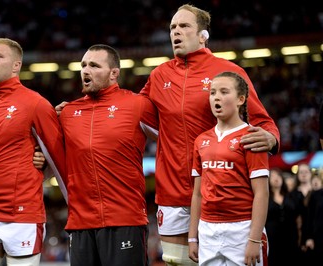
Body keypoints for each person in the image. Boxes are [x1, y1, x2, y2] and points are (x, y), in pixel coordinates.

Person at [138, 4, 280, 265]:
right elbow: (130, 113)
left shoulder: (229, 73)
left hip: (219, 196)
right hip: (171, 192)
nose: (176, 32)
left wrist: (271, 138)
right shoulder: (159, 75)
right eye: (172, 27)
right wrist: (80, 110)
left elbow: (262, 121)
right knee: (175, 261)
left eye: (184, 26)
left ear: (203, 35)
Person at [0, 38, 65, 266]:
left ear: (16, 66)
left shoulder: (35, 104)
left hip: (21, 215)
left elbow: (58, 161)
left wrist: (75, 209)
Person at [58, 44, 158, 266]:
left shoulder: (137, 105)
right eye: (83, 65)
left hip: (125, 220)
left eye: (94, 65)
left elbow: (174, 140)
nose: (85, 70)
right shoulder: (67, 113)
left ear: (114, 73)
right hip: (80, 223)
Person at [188, 71, 269, 266]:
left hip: (242, 229)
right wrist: (193, 237)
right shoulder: (201, 141)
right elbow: (197, 194)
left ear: (241, 99)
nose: (216, 97)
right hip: (207, 230)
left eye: (224, 92)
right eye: (213, 92)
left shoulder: (252, 137)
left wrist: (254, 239)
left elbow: (262, 193)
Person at [265, 168, 302, 266]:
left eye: (278, 175)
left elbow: (298, 217)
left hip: (290, 235)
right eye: (272, 176)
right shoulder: (265, 197)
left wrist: (299, 235)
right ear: (268, 180)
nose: (276, 178)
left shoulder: (290, 196)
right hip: (272, 237)